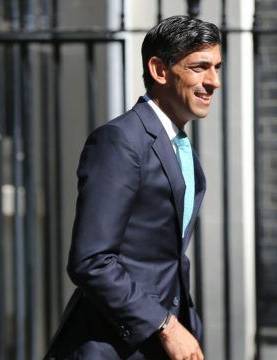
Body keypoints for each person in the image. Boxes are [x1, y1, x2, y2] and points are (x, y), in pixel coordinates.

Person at [44, 15, 222, 359]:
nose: (213, 81)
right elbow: (91, 260)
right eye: (200, 67)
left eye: (216, 67)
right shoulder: (120, 141)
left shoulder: (177, 144)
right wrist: (166, 325)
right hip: (113, 344)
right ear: (159, 70)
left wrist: (186, 321)